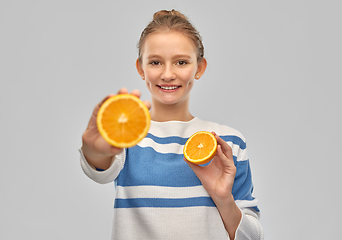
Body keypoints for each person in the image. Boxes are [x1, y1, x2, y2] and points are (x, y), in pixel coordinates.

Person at [80, 9, 264, 240]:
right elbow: (99, 170)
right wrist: (93, 150)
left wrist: (223, 197)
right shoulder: (128, 137)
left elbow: (253, 237)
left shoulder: (227, 142)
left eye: (181, 62)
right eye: (156, 62)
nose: (168, 74)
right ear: (141, 68)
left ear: (199, 67)